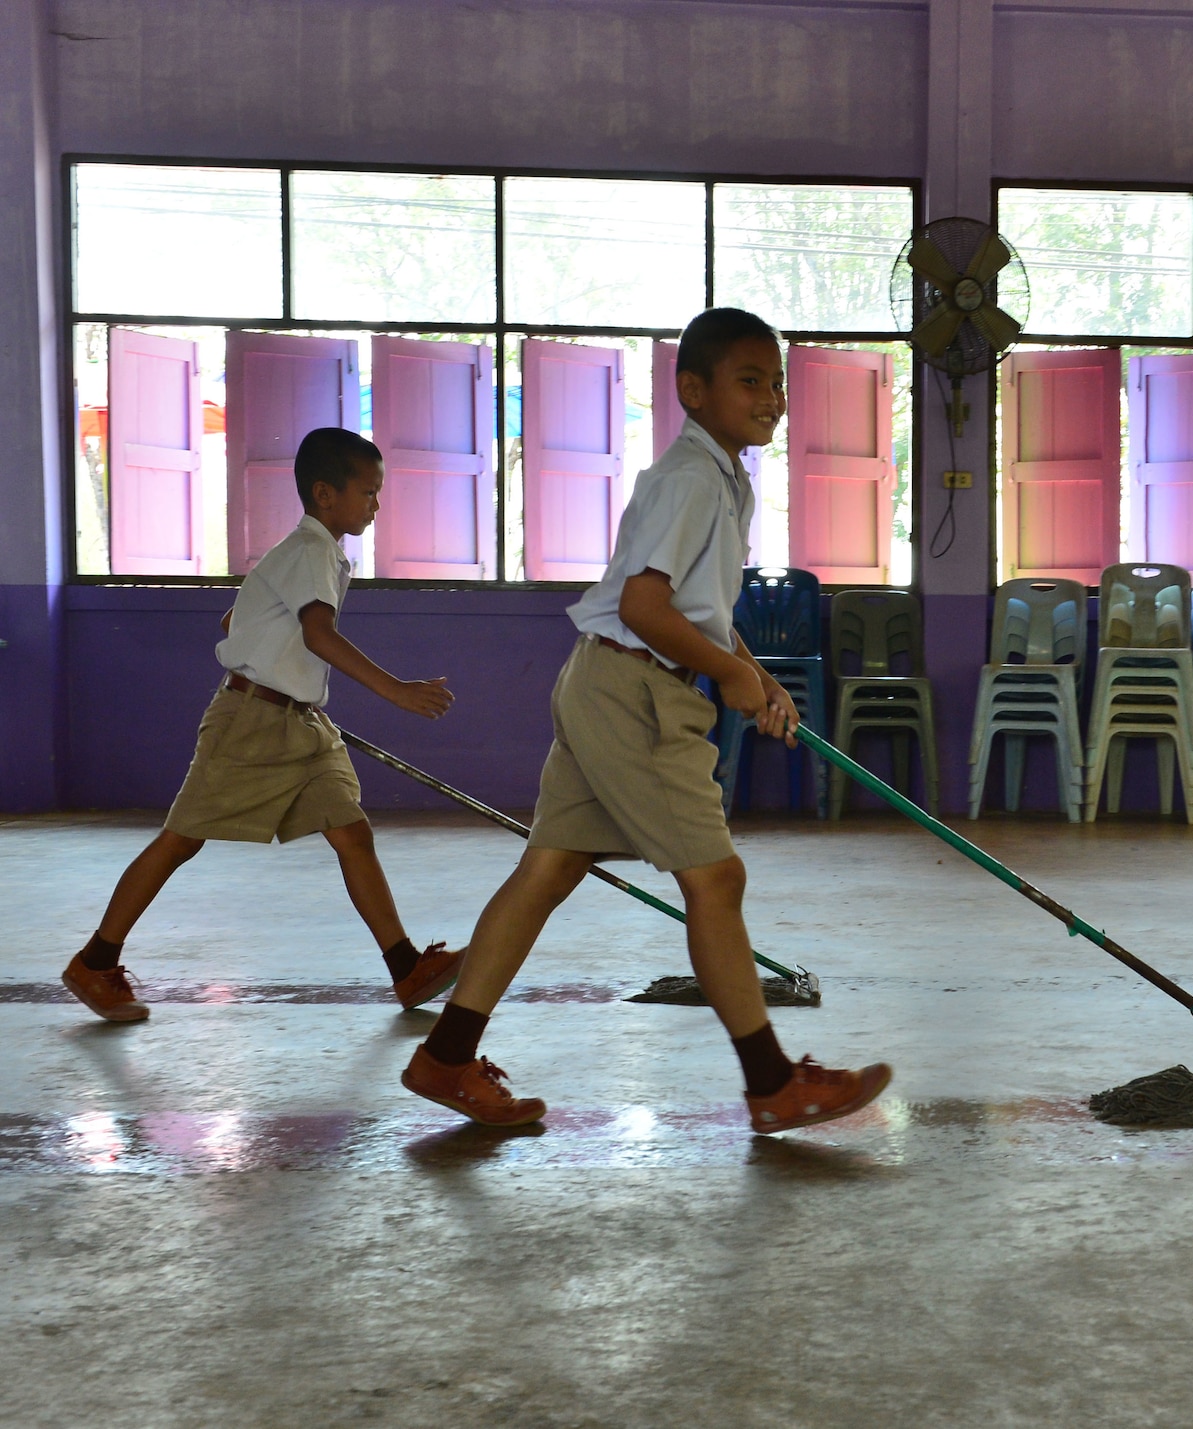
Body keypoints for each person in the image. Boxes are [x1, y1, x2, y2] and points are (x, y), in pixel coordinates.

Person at [400, 307, 890, 1132]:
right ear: (692, 390)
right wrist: (728, 670)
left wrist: (751, 669)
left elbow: (695, 604)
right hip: (633, 693)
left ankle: (445, 1057)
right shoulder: (693, 478)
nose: (771, 398)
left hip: (608, 680)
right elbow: (643, 603)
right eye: (749, 381)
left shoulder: (723, 475)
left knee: (549, 869)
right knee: (716, 878)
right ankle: (772, 1083)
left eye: (777, 382)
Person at [61, 428, 463, 1023]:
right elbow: (318, 633)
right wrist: (395, 691)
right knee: (181, 840)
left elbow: (234, 617)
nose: (376, 504)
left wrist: (276, 658)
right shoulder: (309, 551)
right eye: (369, 492)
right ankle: (96, 961)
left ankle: (406, 968)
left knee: (352, 833)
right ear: (326, 494)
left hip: (302, 724)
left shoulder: (317, 552)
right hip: (250, 723)